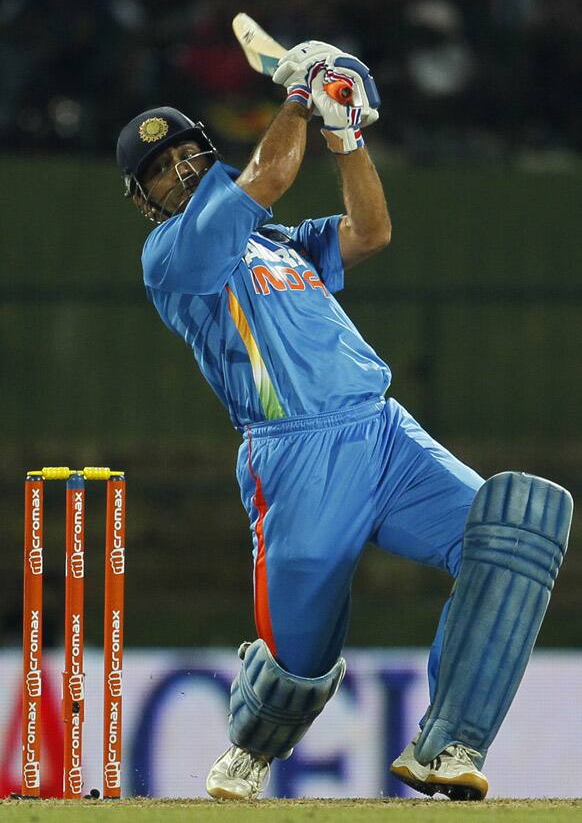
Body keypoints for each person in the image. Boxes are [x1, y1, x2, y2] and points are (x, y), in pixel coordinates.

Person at [116, 42, 572, 802]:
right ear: (146, 198)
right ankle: (251, 747)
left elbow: (369, 232)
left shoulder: (279, 242)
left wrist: (345, 134)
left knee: (520, 525)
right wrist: (299, 96)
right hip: (295, 463)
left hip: (386, 434)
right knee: (299, 665)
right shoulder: (173, 256)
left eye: (189, 152)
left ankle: (448, 741)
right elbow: (267, 175)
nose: (183, 170)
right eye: (162, 170)